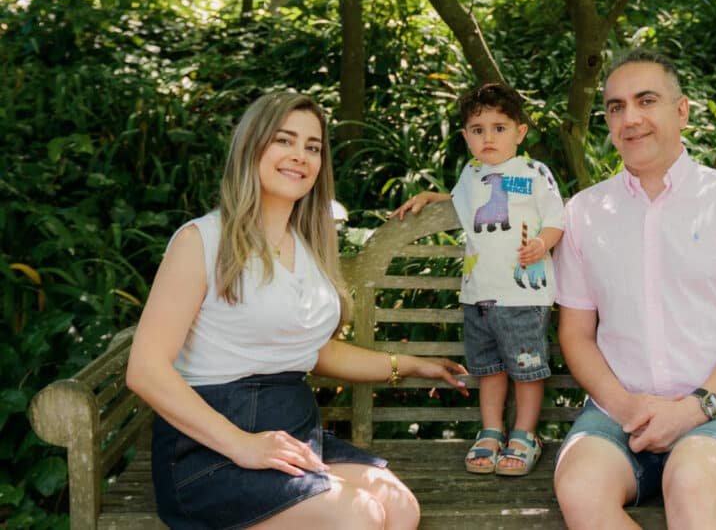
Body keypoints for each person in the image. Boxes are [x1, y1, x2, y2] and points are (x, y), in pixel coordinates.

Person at [126, 92, 469, 530]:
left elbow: (313, 351)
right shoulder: (202, 241)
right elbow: (145, 370)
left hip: (290, 429)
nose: (300, 156)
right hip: (210, 445)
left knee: (400, 508)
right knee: (357, 516)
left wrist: (409, 364)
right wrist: (241, 444)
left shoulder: (307, 247)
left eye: (312, 147)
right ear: (252, 146)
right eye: (284, 140)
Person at [552, 49, 716, 529]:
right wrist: (628, 408)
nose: (631, 118)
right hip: (619, 413)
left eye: (646, 101)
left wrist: (692, 410)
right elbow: (575, 335)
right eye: (616, 107)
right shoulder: (583, 213)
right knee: (580, 488)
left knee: (689, 480)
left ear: (681, 112)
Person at [392, 83, 564, 477]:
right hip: (478, 296)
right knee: (488, 368)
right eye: (478, 129)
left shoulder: (533, 173)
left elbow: (556, 218)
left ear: (520, 132)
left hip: (522, 296)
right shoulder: (470, 174)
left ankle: (525, 434)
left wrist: (542, 243)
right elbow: (461, 203)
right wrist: (431, 197)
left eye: (499, 128)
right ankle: (490, 431)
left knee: (527, 368)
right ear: (466, 136)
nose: (489, 137)